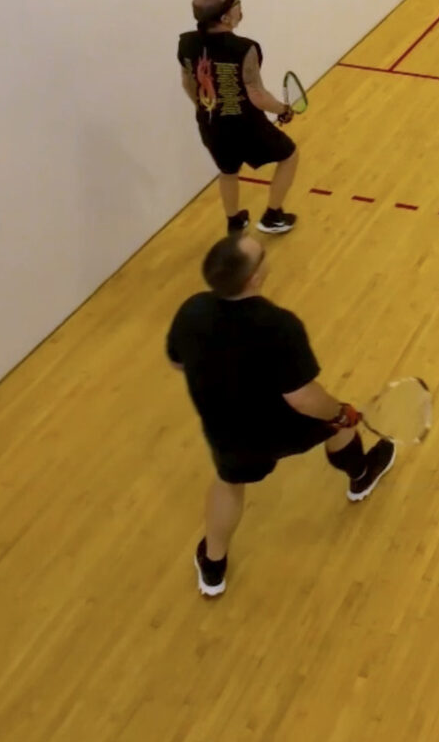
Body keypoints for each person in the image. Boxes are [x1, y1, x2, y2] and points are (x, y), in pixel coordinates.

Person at [166, 233, 396, 597]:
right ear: (254, 279)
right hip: (280, 425)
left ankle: (212, 567)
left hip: (225, 429)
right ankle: (361, 475)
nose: (264, 250)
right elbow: (303, 399)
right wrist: (340, 412)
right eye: (261, 254)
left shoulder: (191, 310)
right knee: (338, 423)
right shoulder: (279, 326)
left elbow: (177, 362)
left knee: (228, 485)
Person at [179, 0, 299, 235]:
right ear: (224, 17)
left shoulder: (187, 42)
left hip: (210, 124)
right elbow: (257, 94)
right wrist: (282, 109)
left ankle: (234, 221)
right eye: (235, 4)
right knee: (289, 155)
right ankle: (273, 216)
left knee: (228, 170)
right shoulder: (245, 48)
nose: (239, 7)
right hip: (245, 126)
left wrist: (206, 109)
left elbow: (188, 83)